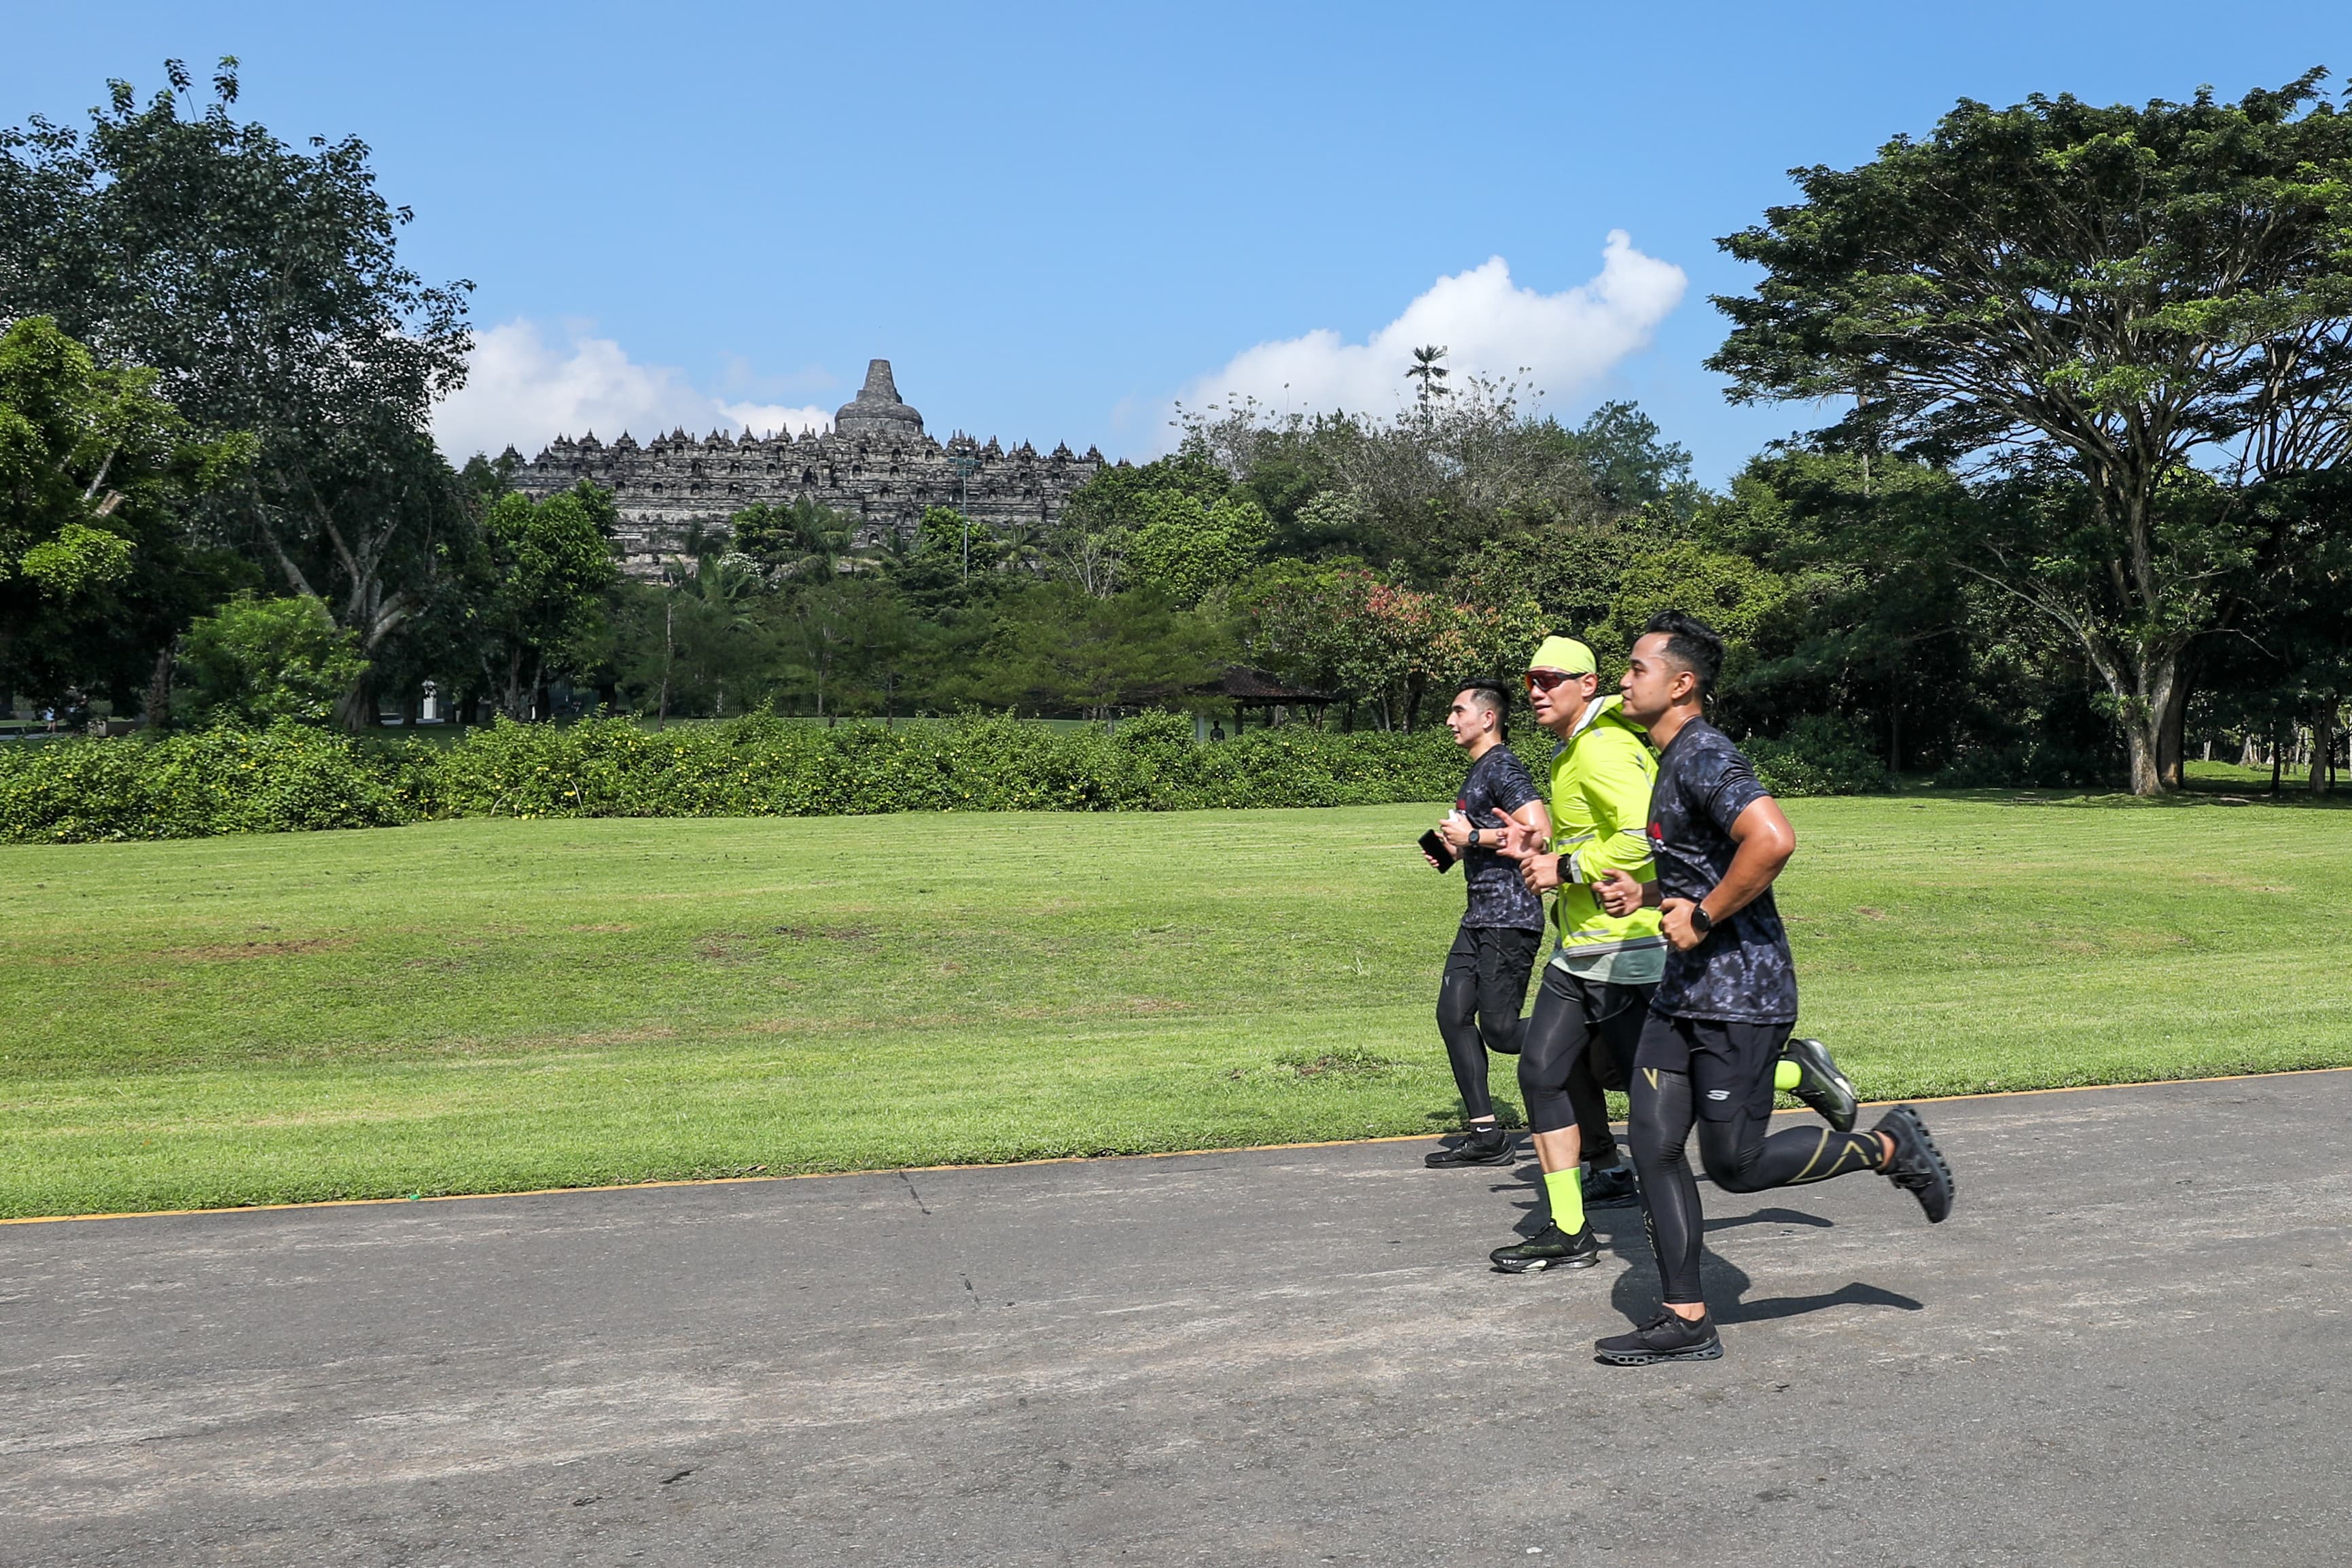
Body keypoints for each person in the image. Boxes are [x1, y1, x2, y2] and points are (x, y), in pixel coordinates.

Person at [1587, 611, 1955, 1366]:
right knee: (1654, 1147)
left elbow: (1773, 838)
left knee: (1735, 1165)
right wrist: (1649, 890)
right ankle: (1686, 1316)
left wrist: (1707, 914)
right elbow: (1701, 865)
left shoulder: (1703, 751)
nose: (1624, 677)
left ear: (1682, 683)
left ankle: (1888, 1146)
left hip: (1739, 994)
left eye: (1637, 667)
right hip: (1682, 994)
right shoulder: (1669, 758)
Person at [1475, 636, 1661, 1268]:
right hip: (1579, 949)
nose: (1535, 690)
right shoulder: (1573, 751)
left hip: (1625, 947)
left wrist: (1568, 867)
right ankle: (1570, 1230)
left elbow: (1644, 838)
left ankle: (1793, 1069)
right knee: (1540, 1071)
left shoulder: (1604, 748)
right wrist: (1532, 846)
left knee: (1660, 1081)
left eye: (1551, 679)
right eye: (1530, 679)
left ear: (1588, 684)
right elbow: (1587, 835)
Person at [1421, 681, 1552, 1168]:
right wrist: (1451, 848)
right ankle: (1485, 1134)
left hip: (1511, 916)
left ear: (1488, 718)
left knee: (1498, 1031)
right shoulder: (1478, 773)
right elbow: (1477, 841)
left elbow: (1539, 832)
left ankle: (1586, 1035)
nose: (1451, 721)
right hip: (1479, 915)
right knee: (1452, 1015)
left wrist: (1473, 834)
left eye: (1458, 711)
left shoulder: (1503, 766)